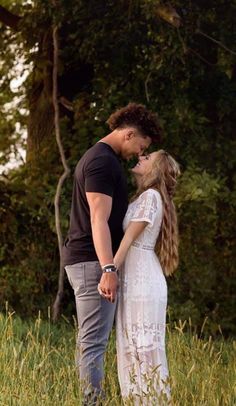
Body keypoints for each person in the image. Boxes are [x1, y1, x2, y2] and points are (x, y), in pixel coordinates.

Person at [62, 103, 162, 404]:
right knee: (93, 342)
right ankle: (93, 402)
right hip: (93, 262)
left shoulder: (102, 159)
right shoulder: (102, 162)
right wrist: (108, 268)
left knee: (93, 341)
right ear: (129, 134)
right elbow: (98, 218)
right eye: (141, 146)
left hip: (90, 260)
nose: (139, 154)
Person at [104, 149, 180, 404]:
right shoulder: (142, 197)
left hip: (142, 281)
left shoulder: (151, 196)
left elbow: (129, 238)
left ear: (155, 169)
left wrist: (109, 269)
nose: (141, 157)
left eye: (148, 158)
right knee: (131, 347)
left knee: (142, 348)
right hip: (135, 279)